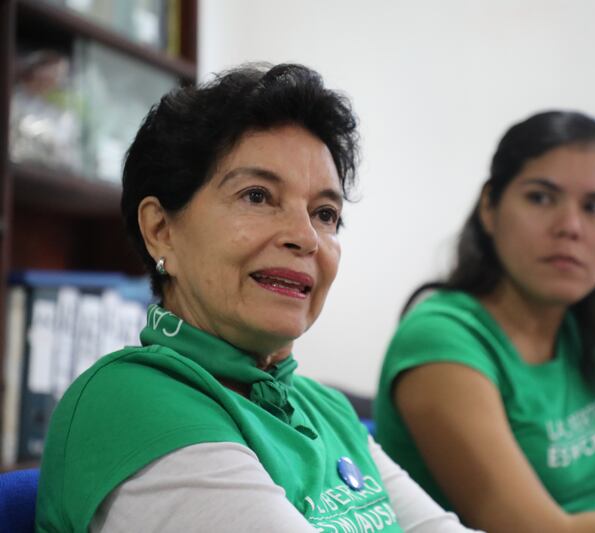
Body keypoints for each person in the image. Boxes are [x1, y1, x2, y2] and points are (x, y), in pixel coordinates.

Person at [35, 63, 478, 532]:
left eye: (325, 213)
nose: (305, 237)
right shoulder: (129, 403)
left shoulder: (323, 408)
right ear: (161, 230)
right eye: (257, 196)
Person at [374, 111, 595, 532]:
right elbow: (540, 530)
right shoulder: (440, 339)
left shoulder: (577, 327)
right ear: (490, 207)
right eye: (541, 198)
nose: (570, 227)